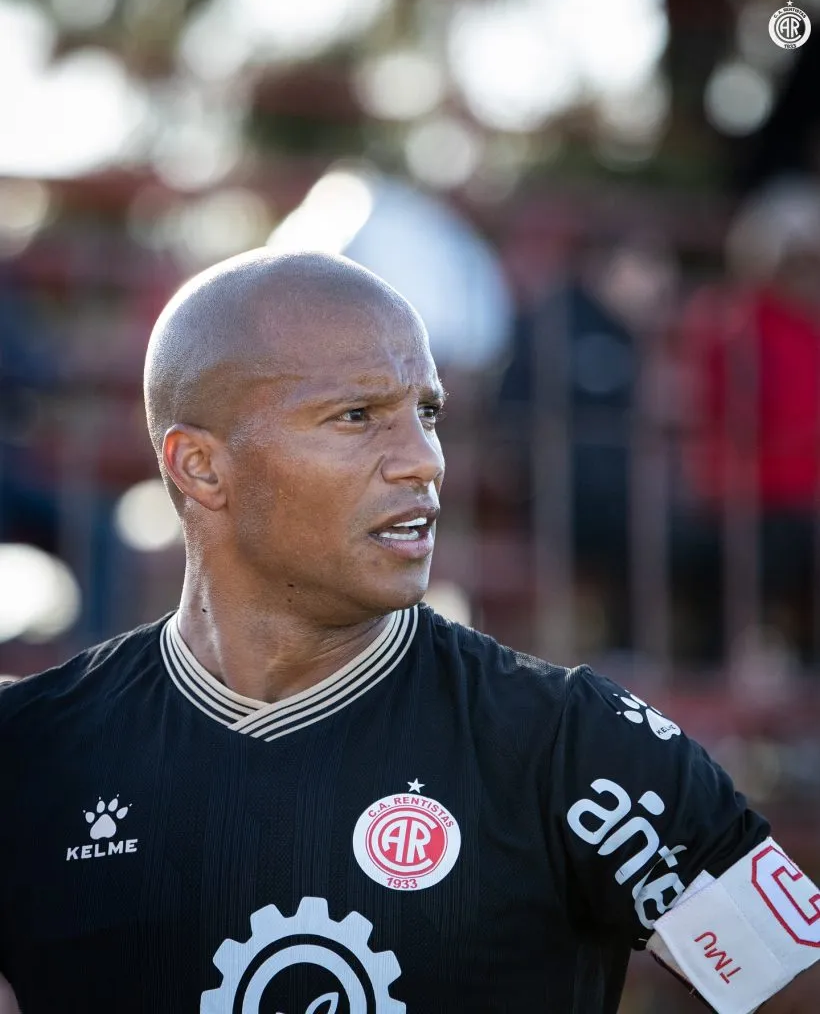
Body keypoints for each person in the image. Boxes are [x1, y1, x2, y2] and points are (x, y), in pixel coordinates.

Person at [0, 250, 817, 1014]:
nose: (424, 459)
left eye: (426, 412)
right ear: (200, 467)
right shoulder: (31, 754)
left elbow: (790, 981)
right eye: (357, 415)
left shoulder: (580, 750)